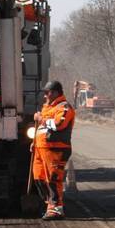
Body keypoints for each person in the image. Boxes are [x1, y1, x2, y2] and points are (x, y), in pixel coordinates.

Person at [32, 80, 75, 220]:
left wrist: (41, 119)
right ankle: (49, 205)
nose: (45, 96)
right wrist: (35, 142)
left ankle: (56, 208)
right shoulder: (47, 108)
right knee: (39, 177)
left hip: (56, 148)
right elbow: (42, 129)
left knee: (53, 179)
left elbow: (59, 124)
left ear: (56, 92)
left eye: (47, 92)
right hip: (41, 148)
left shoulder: (64, 107)